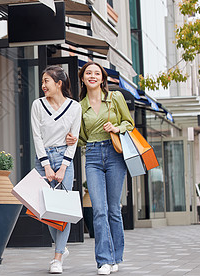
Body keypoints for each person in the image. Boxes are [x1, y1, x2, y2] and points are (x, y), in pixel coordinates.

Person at [68, 61, 134, 275]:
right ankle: (104, 260)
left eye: (97, 73)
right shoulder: (79, 106)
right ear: (83, 78)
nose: (93, 76)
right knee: (99, 210)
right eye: (89, 73)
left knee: (114, 209)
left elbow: (129, 124)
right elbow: (81, 138)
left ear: (103, 78)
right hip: (94, 155)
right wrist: (72, 139)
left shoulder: (115, 98)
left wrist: (116, 127)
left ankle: (116, 257)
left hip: (115, 154)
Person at [31, 66, 82, 274]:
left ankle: (57, 257)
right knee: (44, 211)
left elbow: (74, 139)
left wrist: (62, 168)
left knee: (63, 211)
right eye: (42, 82)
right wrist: (46, 165)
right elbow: (36, 136)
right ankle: (62, 246)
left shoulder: (74, 107)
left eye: (46, 81)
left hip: (64, 159)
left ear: (59, 83)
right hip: (43, 159)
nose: (43, 86)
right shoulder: (38, 105)